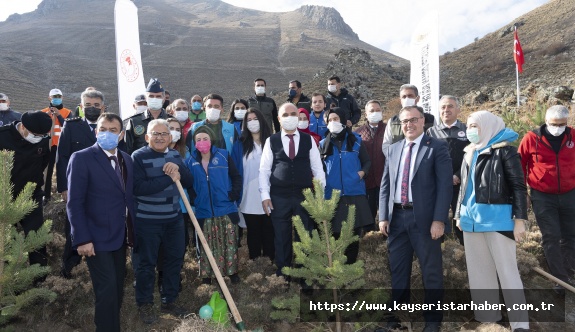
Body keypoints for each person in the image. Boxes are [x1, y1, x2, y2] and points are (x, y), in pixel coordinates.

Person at [378, 106, 452, 332]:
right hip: (397, 218)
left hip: (426, 221)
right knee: (398, 270)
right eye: (404, 121)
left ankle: (432, 322)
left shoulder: (437, 147)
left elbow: (445, 186)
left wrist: (439, 219)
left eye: (413, 120)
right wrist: (383, 216)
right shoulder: (393, 149)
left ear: (422, 122)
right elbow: (385, 184)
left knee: (431, 271)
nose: (409, 124)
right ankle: (397, 318)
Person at [454, 110, 529, 332]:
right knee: (479, 272)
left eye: (475, 126)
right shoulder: (469, 151)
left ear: (487, 126)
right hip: (470, 221)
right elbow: (464, 188)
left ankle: (520, 325)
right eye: (468, 126)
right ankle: (489, 318)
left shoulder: (506, 152)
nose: (470, 130)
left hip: (498, 221)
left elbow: (518, 186)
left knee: (508, 273)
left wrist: (520, 220)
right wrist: (459, 214)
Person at [66, 113, 135, 332]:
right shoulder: (81, 158)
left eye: (113, 130)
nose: (107, 133)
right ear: (96, 132)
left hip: (120, 236)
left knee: (116, 289)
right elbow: (74, 203)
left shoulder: (127, 159)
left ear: (121, 135)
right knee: (106, 290)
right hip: (95, 238)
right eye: (103, 129)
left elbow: (128, 196)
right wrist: (82, 239)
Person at [132, 119, 193, 323]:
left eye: (163, 134)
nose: (159, 137)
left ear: (170, 138)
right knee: (146, 264)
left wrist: (177, 168)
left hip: (173, 219)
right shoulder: (138, 157)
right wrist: (168, 177)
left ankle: (170, 300)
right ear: (147, 137)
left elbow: (188, 181)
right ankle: (145, 304)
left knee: (174, 260)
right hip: (147, 220)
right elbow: (139, 188)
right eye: (155, 134)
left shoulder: (175, 154)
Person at [259, 103, 326, 277]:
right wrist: (265, 196)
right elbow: (264, 170)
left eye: (293, 114)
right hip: (278, 197)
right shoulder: (271, 141)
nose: (290, 117)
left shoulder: (308, 140)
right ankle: (284, 274)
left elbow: (318, 169)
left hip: (304, 196)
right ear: (279, 119)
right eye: (285, 115)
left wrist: (318, 195)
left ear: (298, 116)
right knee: (281, 237)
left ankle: (306, 275)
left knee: (305, 235)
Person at [519, 105, 575, 293]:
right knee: (551, 236)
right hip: (542, 195)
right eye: (553, 124)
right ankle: (560, 279)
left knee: (570, 235)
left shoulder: (573, 136)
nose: (557, 128)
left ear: (567, 123)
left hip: (570, 194)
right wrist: (523, 193)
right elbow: (520, 165)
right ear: (546, 121)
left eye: (561, 125)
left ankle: (568, 273)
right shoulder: (531, 138)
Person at [56, 89, 104, 278]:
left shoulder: (109, 126)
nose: (92, 108)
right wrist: (64, 187)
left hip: (102, 187)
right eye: (88, 105)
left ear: (103, 107)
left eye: (96, 105)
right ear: (81, 107)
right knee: (73, 225)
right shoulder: (72, 126)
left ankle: (99, 263)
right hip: (77, 186)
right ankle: (70, 264)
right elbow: (62, 158)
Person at [187, 125, 242, 284]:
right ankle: (207, 277)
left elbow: (236, 177)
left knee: (229, 243)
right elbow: (189, 184)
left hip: (225, 208)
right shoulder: (190, 161)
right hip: (204, 211)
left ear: (211, 140)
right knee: (207, 245)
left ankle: (232, 274)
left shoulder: (224, 155)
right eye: (198, 139)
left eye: (205, 138)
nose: (202, 141)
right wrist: (194, 198)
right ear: (194, 143)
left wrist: (233, 194)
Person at [0, 111, 52, 274]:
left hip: (30, 195)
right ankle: (8, 280)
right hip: (4, 197)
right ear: (22, 126)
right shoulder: (3, 136)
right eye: (34, 134)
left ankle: (39, 277)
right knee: (6, 239)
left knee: (36, 237)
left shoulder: (43, 141)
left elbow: (44, 162)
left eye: (42, 135)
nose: (37, 138)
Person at [320, 107, 372, 264]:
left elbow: (367, 162)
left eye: (336, 119)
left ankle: (350, 269)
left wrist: (361, 174)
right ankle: (338, 271)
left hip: (354, 194)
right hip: (332, 196)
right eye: (330, 120)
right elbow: (320, 169)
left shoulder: (356, 140)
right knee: (335, 235)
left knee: (353, 236)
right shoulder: (323, 144)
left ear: (343, 121)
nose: (333, 123)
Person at [231, 108, 274, 260]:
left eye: (255, 118)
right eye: (248, 120)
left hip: (270, 194)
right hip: (248, 195)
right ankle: (255, 261)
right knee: (253, 231)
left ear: (262, 120)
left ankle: (270, 260)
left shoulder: (272, 141)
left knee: (269, 230)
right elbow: (234, 170)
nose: (252, 122)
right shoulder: (240, 144)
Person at [426, 95, 468, 244]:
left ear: (458, 109)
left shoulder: (467, 130)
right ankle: (439, 248)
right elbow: (428, 159)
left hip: (461, 184)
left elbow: (470, 156)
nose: (446, 110)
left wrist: (457, 175)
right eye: (443, 107)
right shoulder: (431, 133)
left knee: (462, 221)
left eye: (450, 106)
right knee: (438, 218)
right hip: (439, 185)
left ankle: (466, 251)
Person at [354, 100, 386, 220]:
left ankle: (386, 236)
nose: (375, 113)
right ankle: (370, 236)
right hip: (367, 181)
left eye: (378, 110)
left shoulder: (389, 130)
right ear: (366, 114)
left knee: (386, 214)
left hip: (385, 180)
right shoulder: (358, 133)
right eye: (372, 111)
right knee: (368, 214)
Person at [381, 84, 436, 152]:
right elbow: (386, 145)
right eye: (404, 97)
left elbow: (436, 142)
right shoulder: (392, 121)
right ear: (400, 100)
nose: (407, 99)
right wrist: (394, 158)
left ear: (417, 98)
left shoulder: (430, 119)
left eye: (410, 96)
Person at [41, 88, 72, 203]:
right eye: (54, 97)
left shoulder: (67, 112)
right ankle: (46, 195)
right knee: (47, 171)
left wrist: (59, 116)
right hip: (49, 145)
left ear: (62, 97)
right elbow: (39, 128)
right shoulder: (44, 112)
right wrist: (46, 116)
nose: (57, 99)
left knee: (63, 170)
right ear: (49, 98)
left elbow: (69, 127)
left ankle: (65, 193)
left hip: (62, 145)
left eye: (59, 96)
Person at [124, 78, 169, 154]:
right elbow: (127, 149)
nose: (154, 99)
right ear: (146, 98)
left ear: (164, 99)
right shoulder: (134, 121)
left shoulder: (170, 120)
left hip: (167, 163)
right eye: (151, 96)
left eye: (158, 96)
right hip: (141, 163)